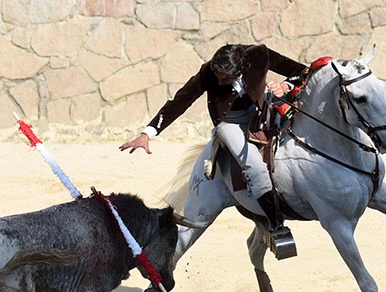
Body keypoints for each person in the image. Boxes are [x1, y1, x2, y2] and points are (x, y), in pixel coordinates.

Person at [119, 44, 306, 258]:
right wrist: (147, 134)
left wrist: (286, 87)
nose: (219, 82)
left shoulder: (260, 55)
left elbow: (300, 71)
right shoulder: (208, 72)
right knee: (254, 166)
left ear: (241, 68)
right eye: (218, 76)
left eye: (225, 78)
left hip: (261, 112)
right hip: (230, 122)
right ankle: (276, 227)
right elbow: (179, 102)